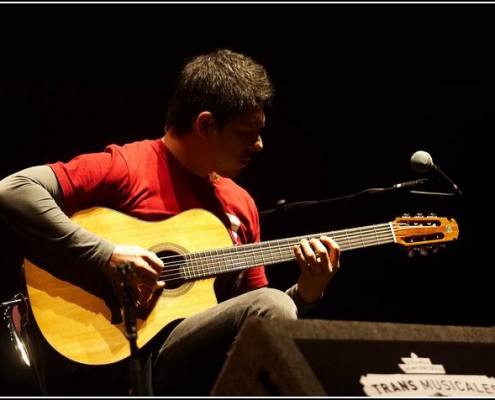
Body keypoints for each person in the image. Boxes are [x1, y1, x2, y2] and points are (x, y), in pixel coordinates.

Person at [0, 48, 341, 396]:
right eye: (246, 133)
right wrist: (106, 256)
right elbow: (13, 190)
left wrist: (306, 293)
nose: (259, 144)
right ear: (205, 124)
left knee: (275, 304)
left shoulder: (240, 203)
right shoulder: (129, 166)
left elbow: (258, 322)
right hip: (120, 358)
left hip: (194, 363)